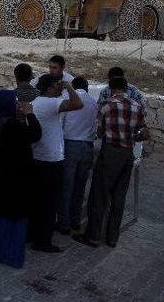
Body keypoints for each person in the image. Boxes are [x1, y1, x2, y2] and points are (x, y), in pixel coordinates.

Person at [73, 77, 149, 249]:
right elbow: (145, 134)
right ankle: (112, 237)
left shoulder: (107, 105)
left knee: (99, 194)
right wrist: (130, 136)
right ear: (125, 88)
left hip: (110, 152)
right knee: (119, 197)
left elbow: (99, 132)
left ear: (112, 88)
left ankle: (93, 236)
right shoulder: (137, 107)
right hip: (127, 154)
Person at [0, 101, 42, 266]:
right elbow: (36, 133)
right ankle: (11, 255)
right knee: (17, 221)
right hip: (19, 194)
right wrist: (30, 114)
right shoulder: (25, 158)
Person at [28, 74, 83, 253]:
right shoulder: (51, 103)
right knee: (50, 202)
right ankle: (43, 241)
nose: (60, 88)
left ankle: (33, 235)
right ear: (51, 87)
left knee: (37, 200)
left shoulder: (36, 102)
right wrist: (68, 86)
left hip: (37, 157)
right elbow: (78, 104)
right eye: (57, 85)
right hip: (51, 160)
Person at [57, 76, 98, 234]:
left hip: (71, 144)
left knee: (67, 185)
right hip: (87, 146)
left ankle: (64, 223)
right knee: (80, 186)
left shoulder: (68, 97)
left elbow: (61, 122)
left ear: (73, 86)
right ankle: (75, 220)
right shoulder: (93, 103)